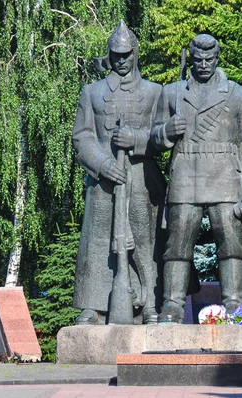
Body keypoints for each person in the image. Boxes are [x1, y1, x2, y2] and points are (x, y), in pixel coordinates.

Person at [151, 34, 242, 323]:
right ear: (190, 58)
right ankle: (173, 305)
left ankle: (235, 305)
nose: (203, 64)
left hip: (225, 177)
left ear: (217, 58)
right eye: (198, 59)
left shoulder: (237, 93)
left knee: (231, 246)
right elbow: (153, 139)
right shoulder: (172, 92)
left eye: (209, 59)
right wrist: (166, 131)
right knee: (177, 246)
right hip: (185, 175)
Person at [72, 20, 165, 325]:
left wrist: (136, 140)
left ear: (135, 53)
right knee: (98, 241)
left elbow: (162, 136)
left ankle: (150, 303)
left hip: (141, 180)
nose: (121, 60)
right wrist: (103, 163)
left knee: (145, 242)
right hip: (103, 181)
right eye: (116, 55)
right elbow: (82, 136)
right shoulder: (92, 92)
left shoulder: (154, 92)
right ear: (109, 55)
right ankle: (93, 304)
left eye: (126, 54)